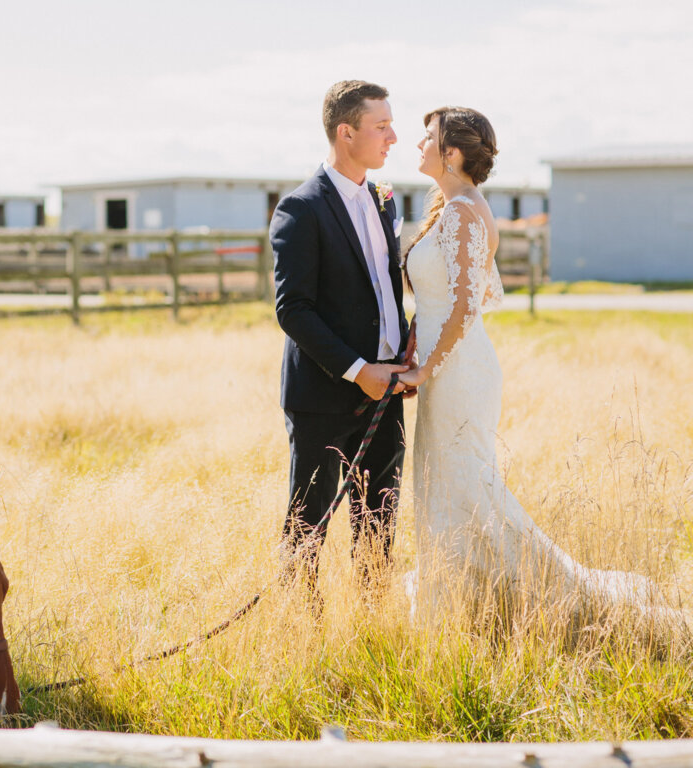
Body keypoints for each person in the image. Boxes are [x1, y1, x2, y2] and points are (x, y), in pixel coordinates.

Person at [397, 107, 674, 624]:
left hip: (456, 371)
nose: (418, 145)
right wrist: (417, 346)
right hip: (447, 364)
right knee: (448, 485)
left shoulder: (462, 213)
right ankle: (463, 600)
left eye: (428, 138)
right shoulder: (455, 207)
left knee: (466, 486)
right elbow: (445, 301)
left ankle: (548, 599)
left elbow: (465, 306)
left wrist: (422, 369)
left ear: (451, 153)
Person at [270, 80, 413, 602]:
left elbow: (381, 291)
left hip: (388, 390)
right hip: (326, 395)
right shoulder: (300, 208)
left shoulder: (383, 201)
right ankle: (298, 633)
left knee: (379, 524)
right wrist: (358, 369)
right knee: (308, 527)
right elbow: (293, 310)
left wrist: (401, 357)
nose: (393, 136)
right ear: (345, 131)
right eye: (382, 126)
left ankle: (372, 629)